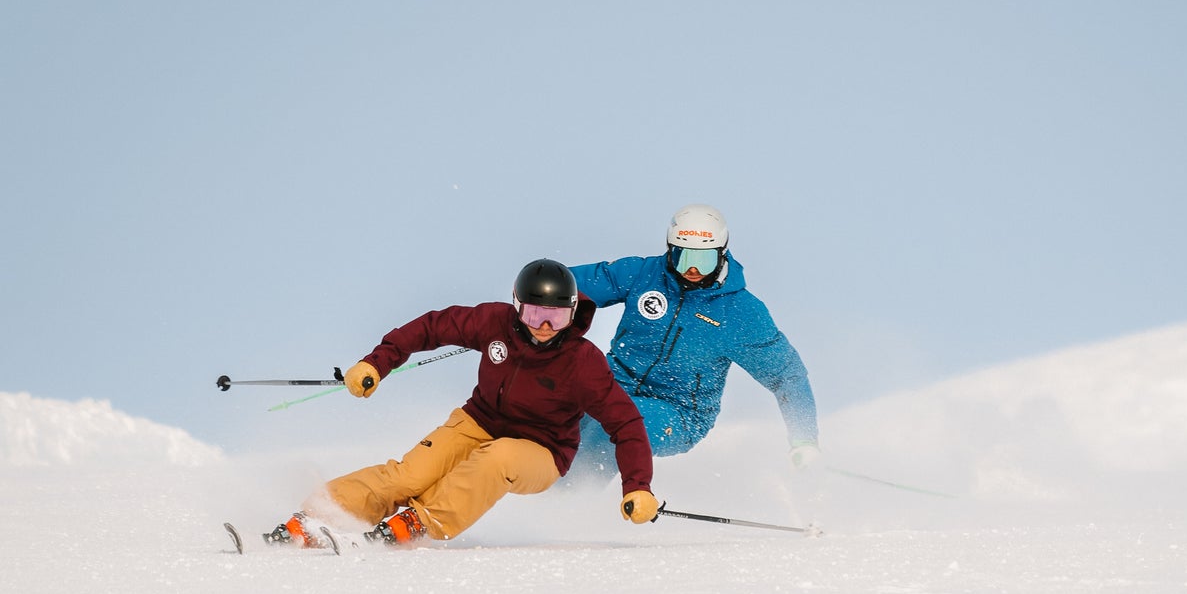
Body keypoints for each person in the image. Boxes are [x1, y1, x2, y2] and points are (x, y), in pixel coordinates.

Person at [266, 259, 660, 547]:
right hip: (478, 421)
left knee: (498, 458)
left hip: (543, 450)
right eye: (536, 313)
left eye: (556, 318)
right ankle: (320, 517)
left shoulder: (582, 362)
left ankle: (417, 523)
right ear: (517, 307)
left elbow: (626, 424)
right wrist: (376, 362)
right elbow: (432, 327)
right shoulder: (494, 323)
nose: (544, 327)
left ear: (572, 314)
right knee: (409, 476)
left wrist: (637, 487)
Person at [567, 204, 820, 477]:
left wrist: (804, 440)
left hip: (678, 413)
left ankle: (567, 502)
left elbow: (787, 376)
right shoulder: (644, 275)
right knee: (549, 400)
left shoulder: (739, 312)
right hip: (612, 387)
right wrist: (536, 286)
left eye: (705, 259)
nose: (693, 269)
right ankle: (526, 489)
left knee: (618, 420)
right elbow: (566, 285)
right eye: (682, 257)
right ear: (669, 249)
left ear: (722, 254)